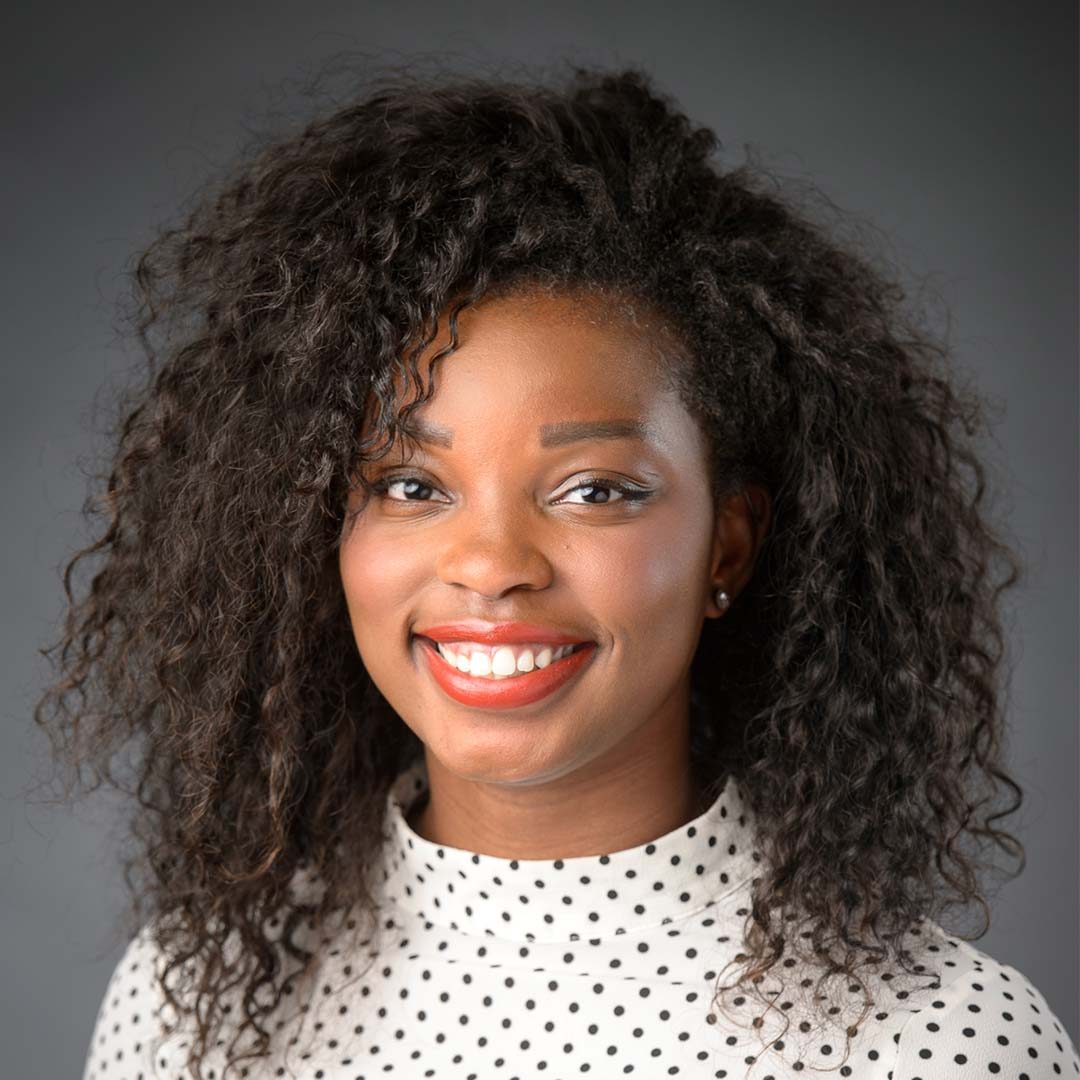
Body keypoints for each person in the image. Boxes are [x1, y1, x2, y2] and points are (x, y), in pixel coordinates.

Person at [39, 61, 1077, 1080]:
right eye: (409, 483)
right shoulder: (194, 1000)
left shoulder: (935, 1044)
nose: (491, 566)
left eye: (594, 490)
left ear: (730, 542)